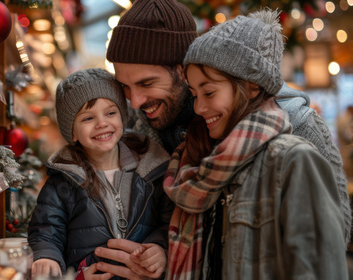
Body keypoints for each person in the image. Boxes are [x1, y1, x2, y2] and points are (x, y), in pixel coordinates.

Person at [97, 0, 351, 273]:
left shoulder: (295, 125)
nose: (134, 101)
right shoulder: (142, 135)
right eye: (125, 87)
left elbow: (336, 232)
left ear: (182, 71)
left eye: (147, 83)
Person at [27, 68, 173, 279]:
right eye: (88, 118)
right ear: (72, 132)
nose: (102, 123)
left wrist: (160, 249)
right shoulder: (63, 182)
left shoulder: (152, 171)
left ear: (122, 116)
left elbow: (168, 223)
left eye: (110, 113)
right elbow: (46, 229)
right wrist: (47, 256)